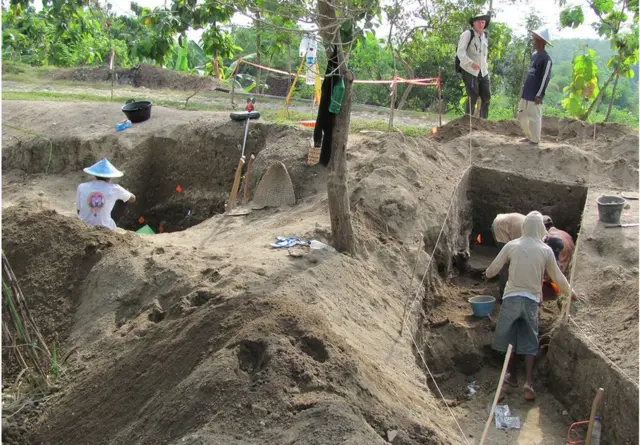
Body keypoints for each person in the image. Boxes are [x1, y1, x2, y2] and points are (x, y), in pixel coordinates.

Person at [483, 211, 578, 401]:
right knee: (529, 340)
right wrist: (571, 293)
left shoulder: (512, 245)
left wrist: (486, 274)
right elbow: (558, 278)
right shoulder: (546, 250)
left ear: (525, 227)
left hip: (511, 298)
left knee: (509, 337)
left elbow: (494, 269)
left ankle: (510, 376)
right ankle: (528, 382)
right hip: (532, 301)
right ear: (541, 230)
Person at [491, 212, 552, 299]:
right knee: (505, 262)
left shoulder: (537, 231)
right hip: (500, 226)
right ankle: (503, 294)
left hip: (506, 224)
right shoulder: (528, 232)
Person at [76, 158, 136, 231]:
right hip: (105, 228)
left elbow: (79, 210)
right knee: (124, 199)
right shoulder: (115, 188)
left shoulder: (81, 186)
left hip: (83, 225)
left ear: (95, 174)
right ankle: (113, 224)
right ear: (110, 176)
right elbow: (133, 198)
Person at [518, 28, 553, 145]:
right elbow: (530, 73)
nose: (534, 42)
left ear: (542, 42)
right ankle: (529, 136)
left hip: (535, 93)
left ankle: (535, 140)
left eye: (536, 40)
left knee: (534, 117)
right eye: (534, 39)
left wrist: (539, 94)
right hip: (527, 91)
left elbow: (545, 78)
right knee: (522, 115)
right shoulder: (534, 55)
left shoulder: (546, 59)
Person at [456, 12, 491, 118]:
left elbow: (484, 55)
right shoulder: (468, 34)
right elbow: (460, 52)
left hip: (483, 71)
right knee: (473, 96)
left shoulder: (485, 36)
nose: (482, 24)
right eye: (479, 22)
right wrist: (470, 63)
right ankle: (468, 120)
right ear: (474, 23)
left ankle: (483, 121)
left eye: (483, 22)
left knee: (486, 96)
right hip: (470, 70)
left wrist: (484, 66)